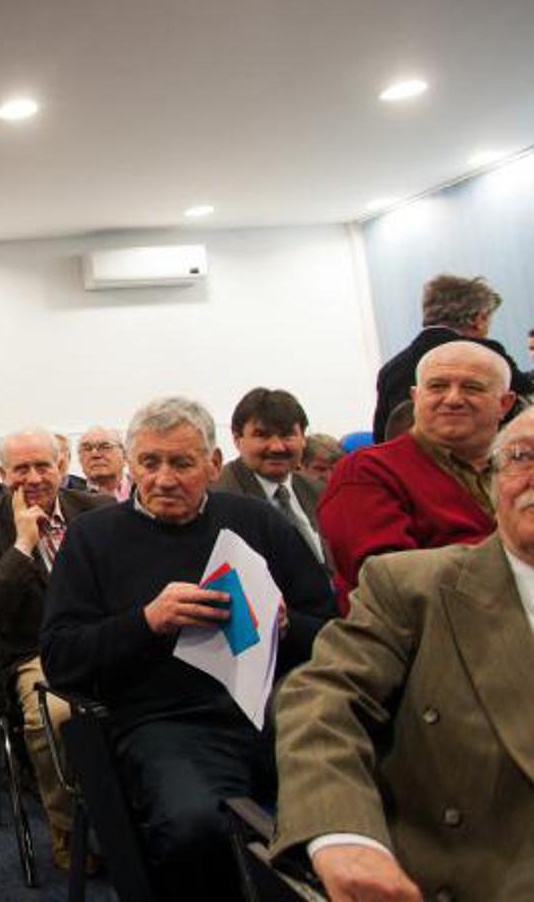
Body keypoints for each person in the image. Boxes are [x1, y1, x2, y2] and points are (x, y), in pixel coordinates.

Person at [40, 397, 335, 901]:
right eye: (149, 463)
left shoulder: (257, 523)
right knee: (195, 827)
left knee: (355, 807)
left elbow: (330, 634)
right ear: (131, 466)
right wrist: (147, 622)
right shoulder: (93, 538)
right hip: (165, 721)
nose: (164, 479)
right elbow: (61, 658)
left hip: (279, 709)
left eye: (181, 463)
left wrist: (285, 627)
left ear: (214, 464)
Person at [270, 409, 534, 902]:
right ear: (493, 484)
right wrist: (344, 833)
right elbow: (322, 699)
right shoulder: (413, 585)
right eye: (522, 457)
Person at [0, 428, 113, 871]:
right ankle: (69, 830)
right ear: (4, 474)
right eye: (21, 469)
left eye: (42, 466)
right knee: (58, 716)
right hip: (36, 653)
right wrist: (23, 546)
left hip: (108, 640)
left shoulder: (100, 511)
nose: (33, 478)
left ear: (61, 466)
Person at [321, 341, 512, 609]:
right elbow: (388, 580)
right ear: (415, 397)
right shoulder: (366, 471)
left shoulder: (520, 469)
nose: (453, 399)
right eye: (437, 386)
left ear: (505, 404)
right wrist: (514, 556)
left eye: (472, 387)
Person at [371, 273, 530, 437]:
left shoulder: (390, 369)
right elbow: (527, 397)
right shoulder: (487, 355)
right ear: (477, 319)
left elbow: (381, 435)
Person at [212, 388, 331, 577]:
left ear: (303, 439)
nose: (277, 447)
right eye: (262, 435)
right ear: (237, 439)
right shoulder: (218, 497)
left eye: (287, 435)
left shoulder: (320, 492)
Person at [76, 426, 130, 500]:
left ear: (125, 456)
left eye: (105, 447)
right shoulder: (68, 500)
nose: (95, 455)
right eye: (87, 448)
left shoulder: (141, 490)